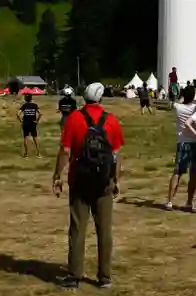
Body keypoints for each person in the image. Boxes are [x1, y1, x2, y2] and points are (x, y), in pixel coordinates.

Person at [51, 82, 123, 290]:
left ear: (84, 98)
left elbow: (65, 151)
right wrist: (116, 180)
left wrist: (57, 175)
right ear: (101, 98)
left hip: (79, 180)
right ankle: (105, 277)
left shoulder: (74, 118)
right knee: (104, 230)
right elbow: (116, 155)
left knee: (77, 228)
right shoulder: (111, 121)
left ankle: (74, 275)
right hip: (104, 183)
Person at [164, 86, 196, 211]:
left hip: (182, 142)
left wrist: (183, 95)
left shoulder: (178, 107)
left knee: (177, 173)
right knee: (194, 173)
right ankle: (189, 202)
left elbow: (176, 103)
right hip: (195, 143)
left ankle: (169, 201)